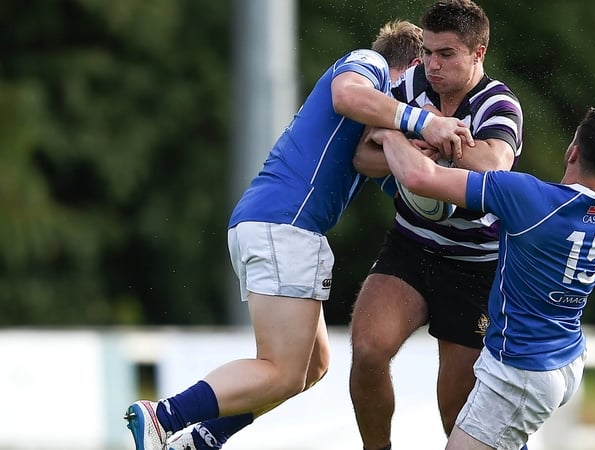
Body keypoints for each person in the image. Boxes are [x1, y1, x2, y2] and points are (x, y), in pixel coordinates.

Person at [123, 20, 474, 450]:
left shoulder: (376, 125)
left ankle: (202, 438)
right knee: (282, 369)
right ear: (414, 65)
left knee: (312, 366)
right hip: (285, 226)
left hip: (272, 224)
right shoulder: (371, 64)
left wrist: (425, 158)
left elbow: (382, 168)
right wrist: (423, 122)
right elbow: (346, 94)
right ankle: (163, 417)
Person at [366, 106, 595, 449]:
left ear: (573, 152)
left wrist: (390, 133)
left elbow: (419, 178)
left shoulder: (529, 199)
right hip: (566, 356)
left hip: (522, 368)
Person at [348, 1, 523, 450]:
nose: (432, 65)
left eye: (446, 54)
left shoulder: (499, 104)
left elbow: (494, 165)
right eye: (427, 52)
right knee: (368, 350)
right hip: (410, 245)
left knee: (455, 412)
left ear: (478, 53)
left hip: (474, 264)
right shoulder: (411, 84)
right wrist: (402, 137)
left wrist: (433, 141)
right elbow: (362, 156)